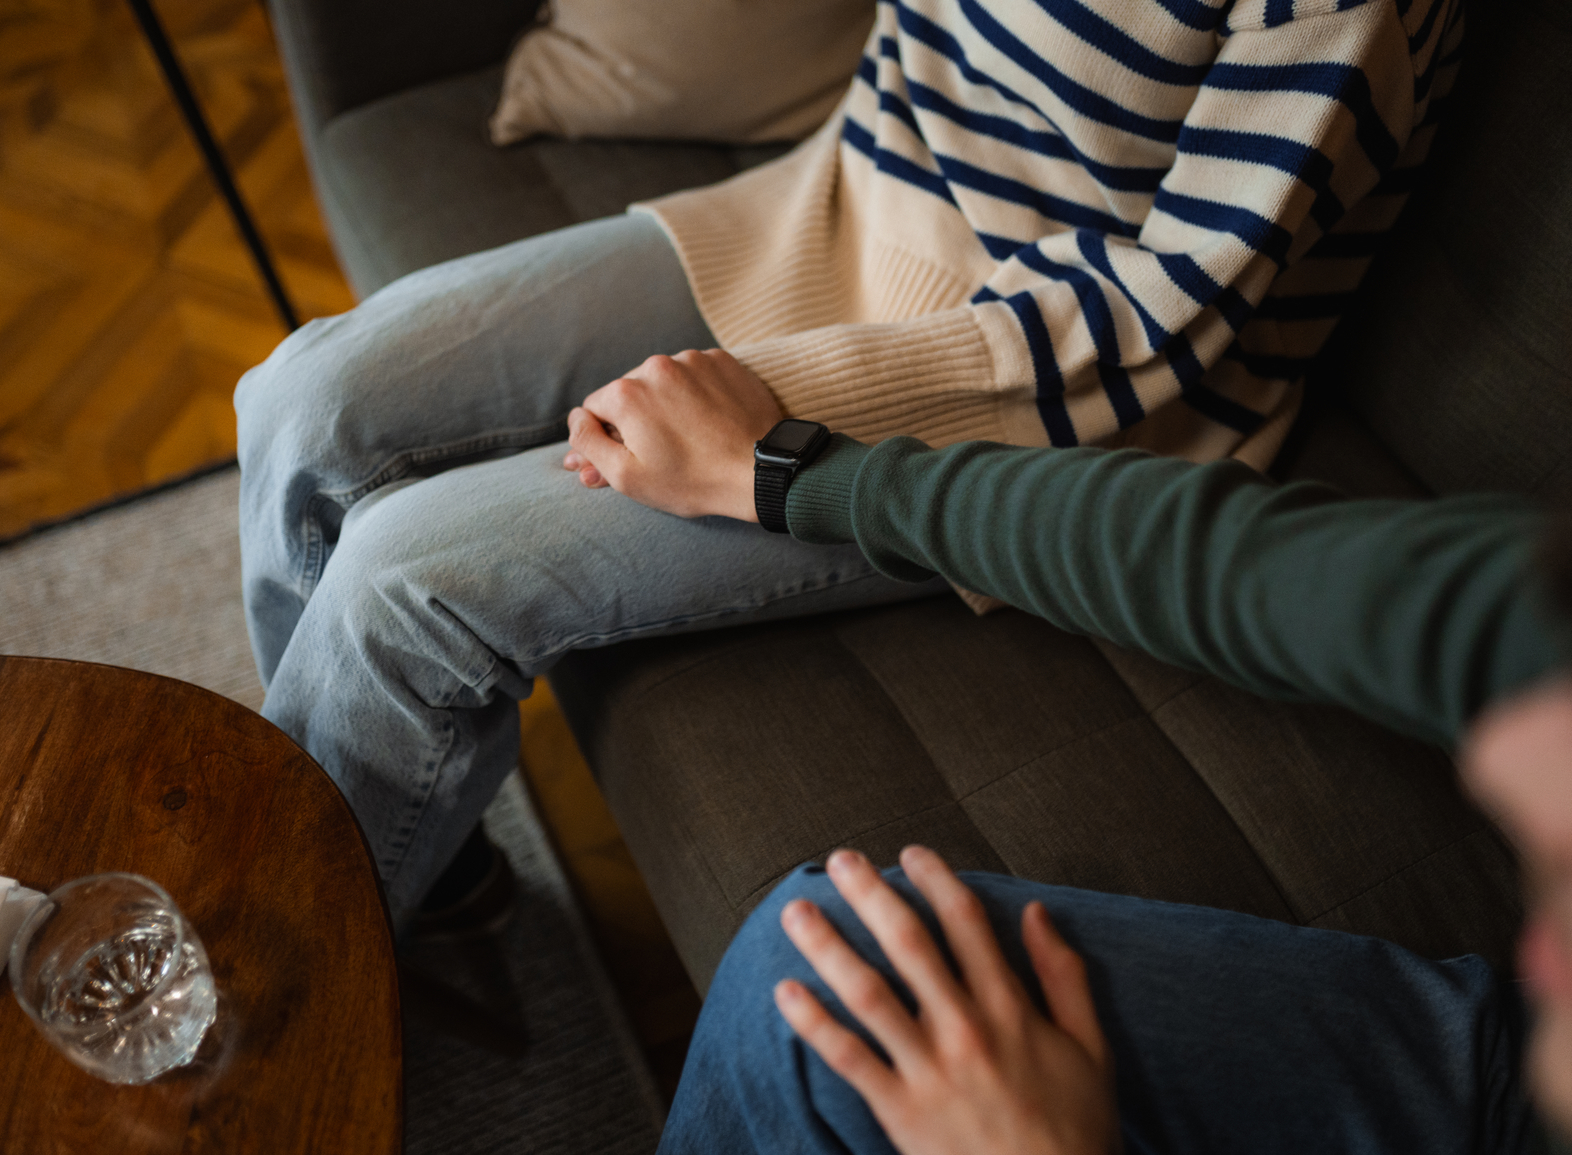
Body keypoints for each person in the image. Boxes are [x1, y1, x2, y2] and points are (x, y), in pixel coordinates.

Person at [237, 0, 1457, 934]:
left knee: (408, 575)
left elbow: (1176, 321)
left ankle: (302, 945)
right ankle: (403, 860)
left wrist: (792, 402)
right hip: (841, 202)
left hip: (1051, 398)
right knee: (304, 395)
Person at [556, 351, 1568, 1151]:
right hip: (1488, 1066)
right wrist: (797, 475)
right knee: (834, 970)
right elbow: (1212, 561)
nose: (1492, 774)